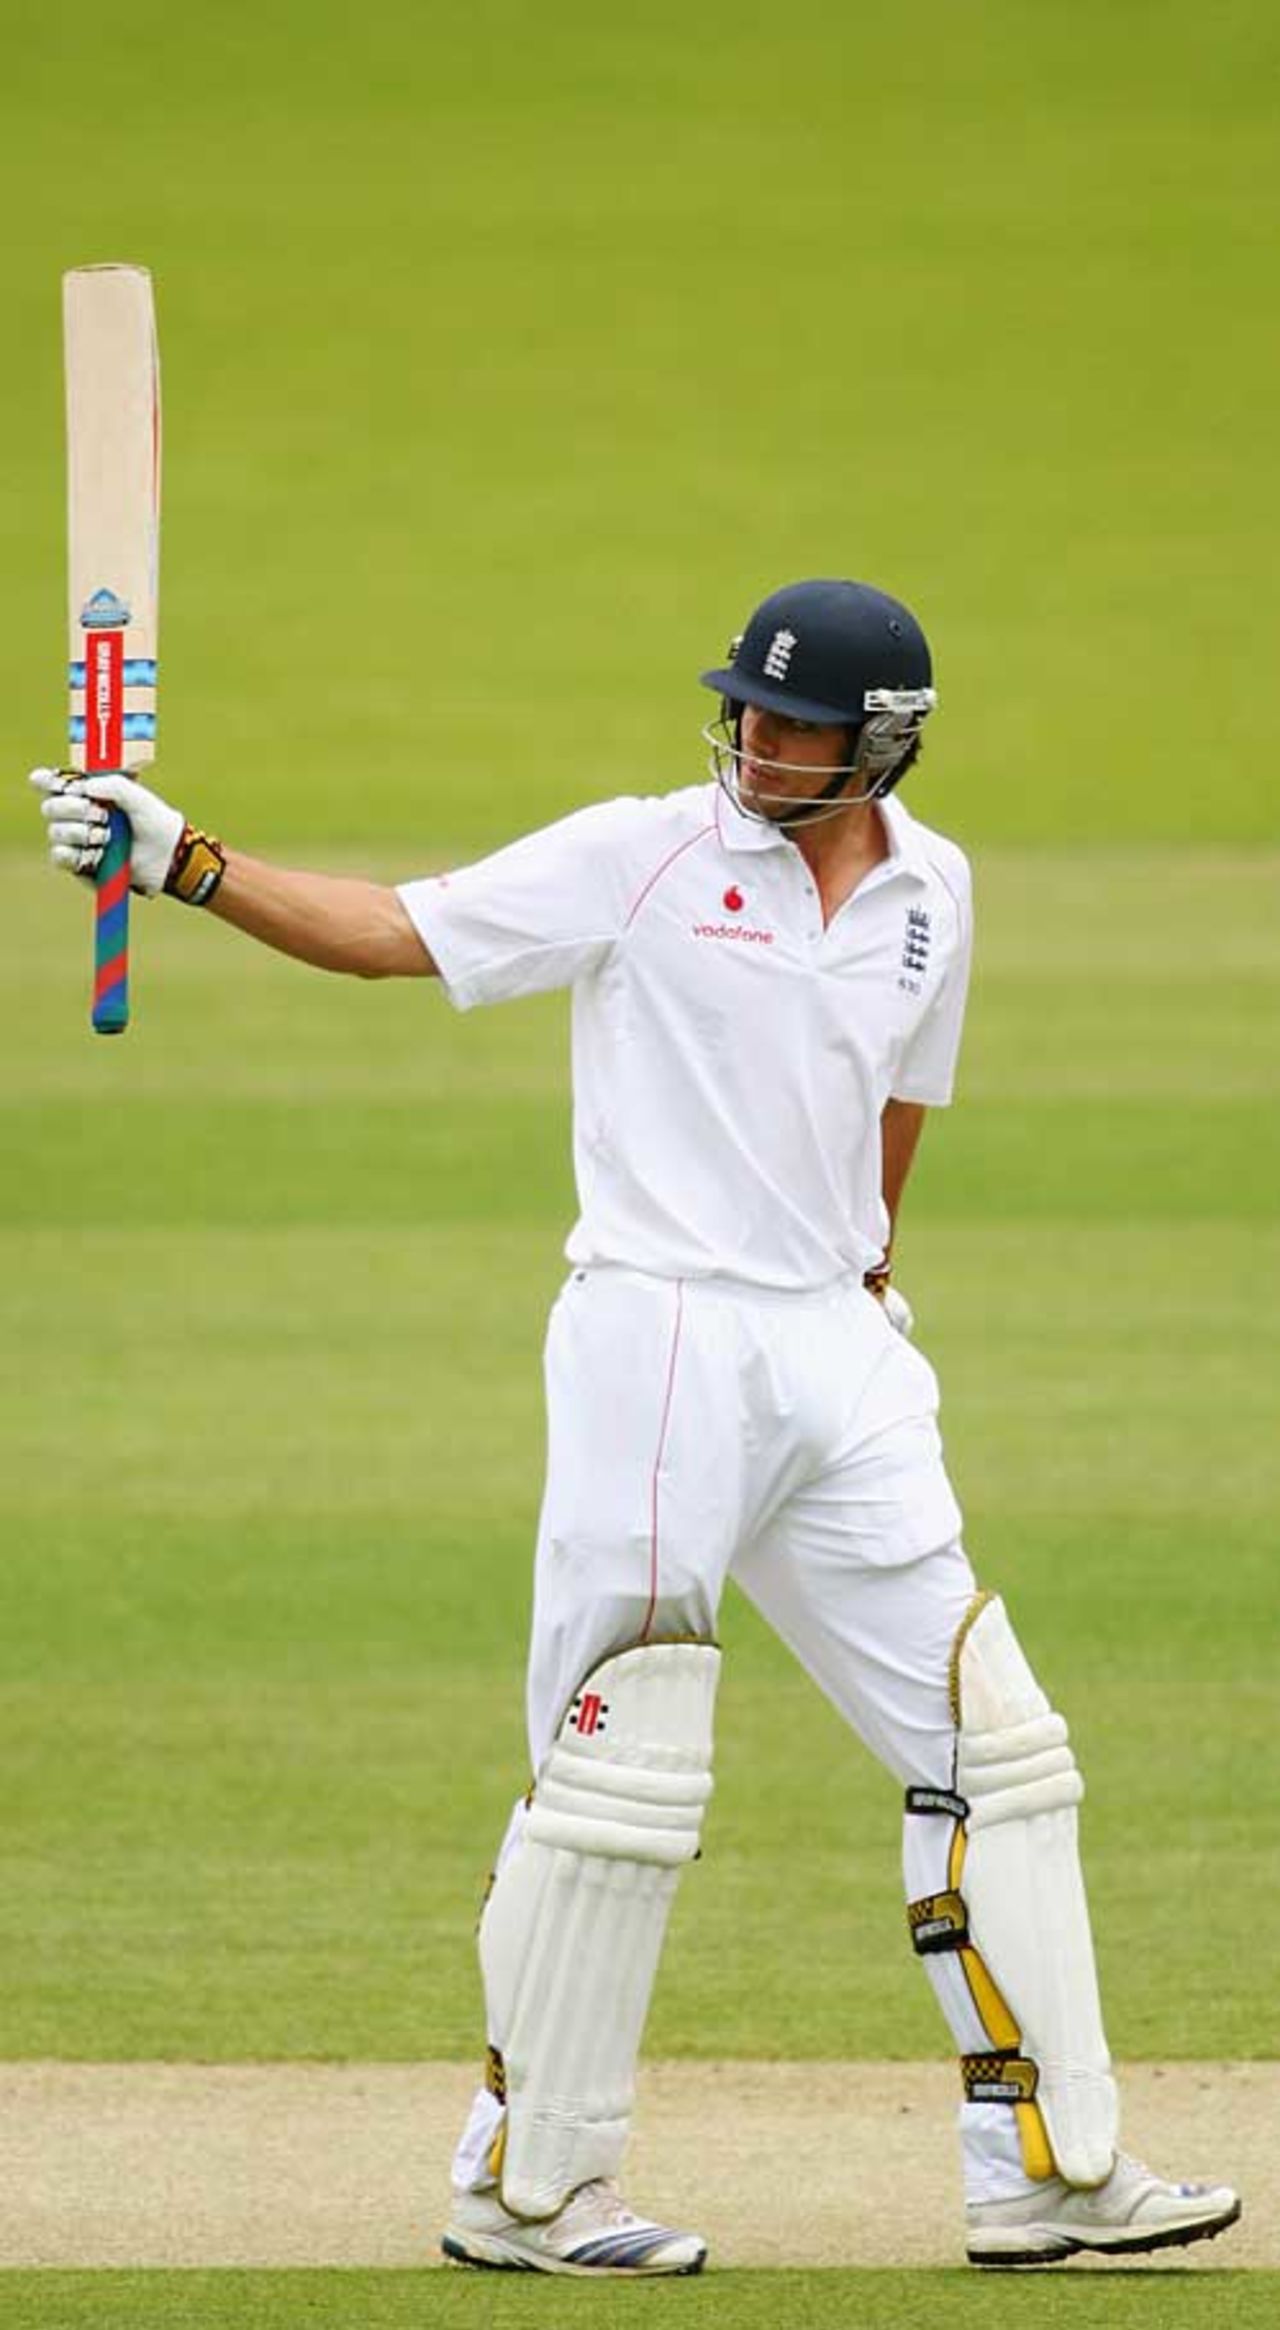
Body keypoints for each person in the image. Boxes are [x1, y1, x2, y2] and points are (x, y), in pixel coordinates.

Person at [31, 577, 1241, 2277]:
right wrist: (185, 861)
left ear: (882, 740)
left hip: (844, 1355)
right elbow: (395, 925)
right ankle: (528, 2185)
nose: (754, 738)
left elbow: (892, 1100)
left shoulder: (934, 891)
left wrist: (870, 1273)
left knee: (997, 1743)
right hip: (659, 1334)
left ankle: (1043, 2163)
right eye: (743, 707)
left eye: (792, 720)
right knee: (623, 1763)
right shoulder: (644, 853)